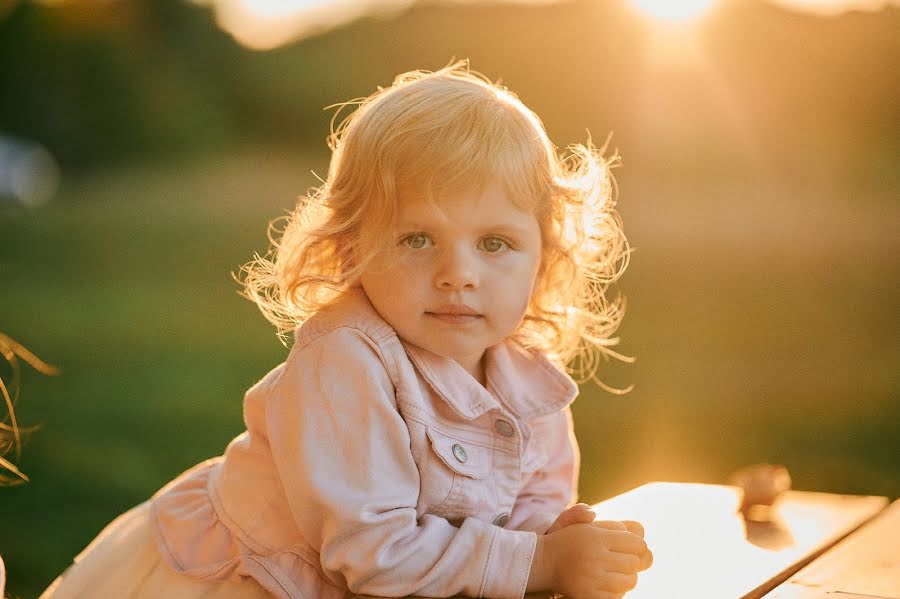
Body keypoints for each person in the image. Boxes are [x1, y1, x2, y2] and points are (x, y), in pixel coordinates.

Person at [40, 60, 652, 599]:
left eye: (495, 243)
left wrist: (557, 539)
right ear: (351, 247)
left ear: (542, 258)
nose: (457, 275)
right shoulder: (347, 360)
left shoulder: (528, 384)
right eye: (417, 239)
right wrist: (539, 563)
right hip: (254, 581)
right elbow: (372, 554)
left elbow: (533, 508)